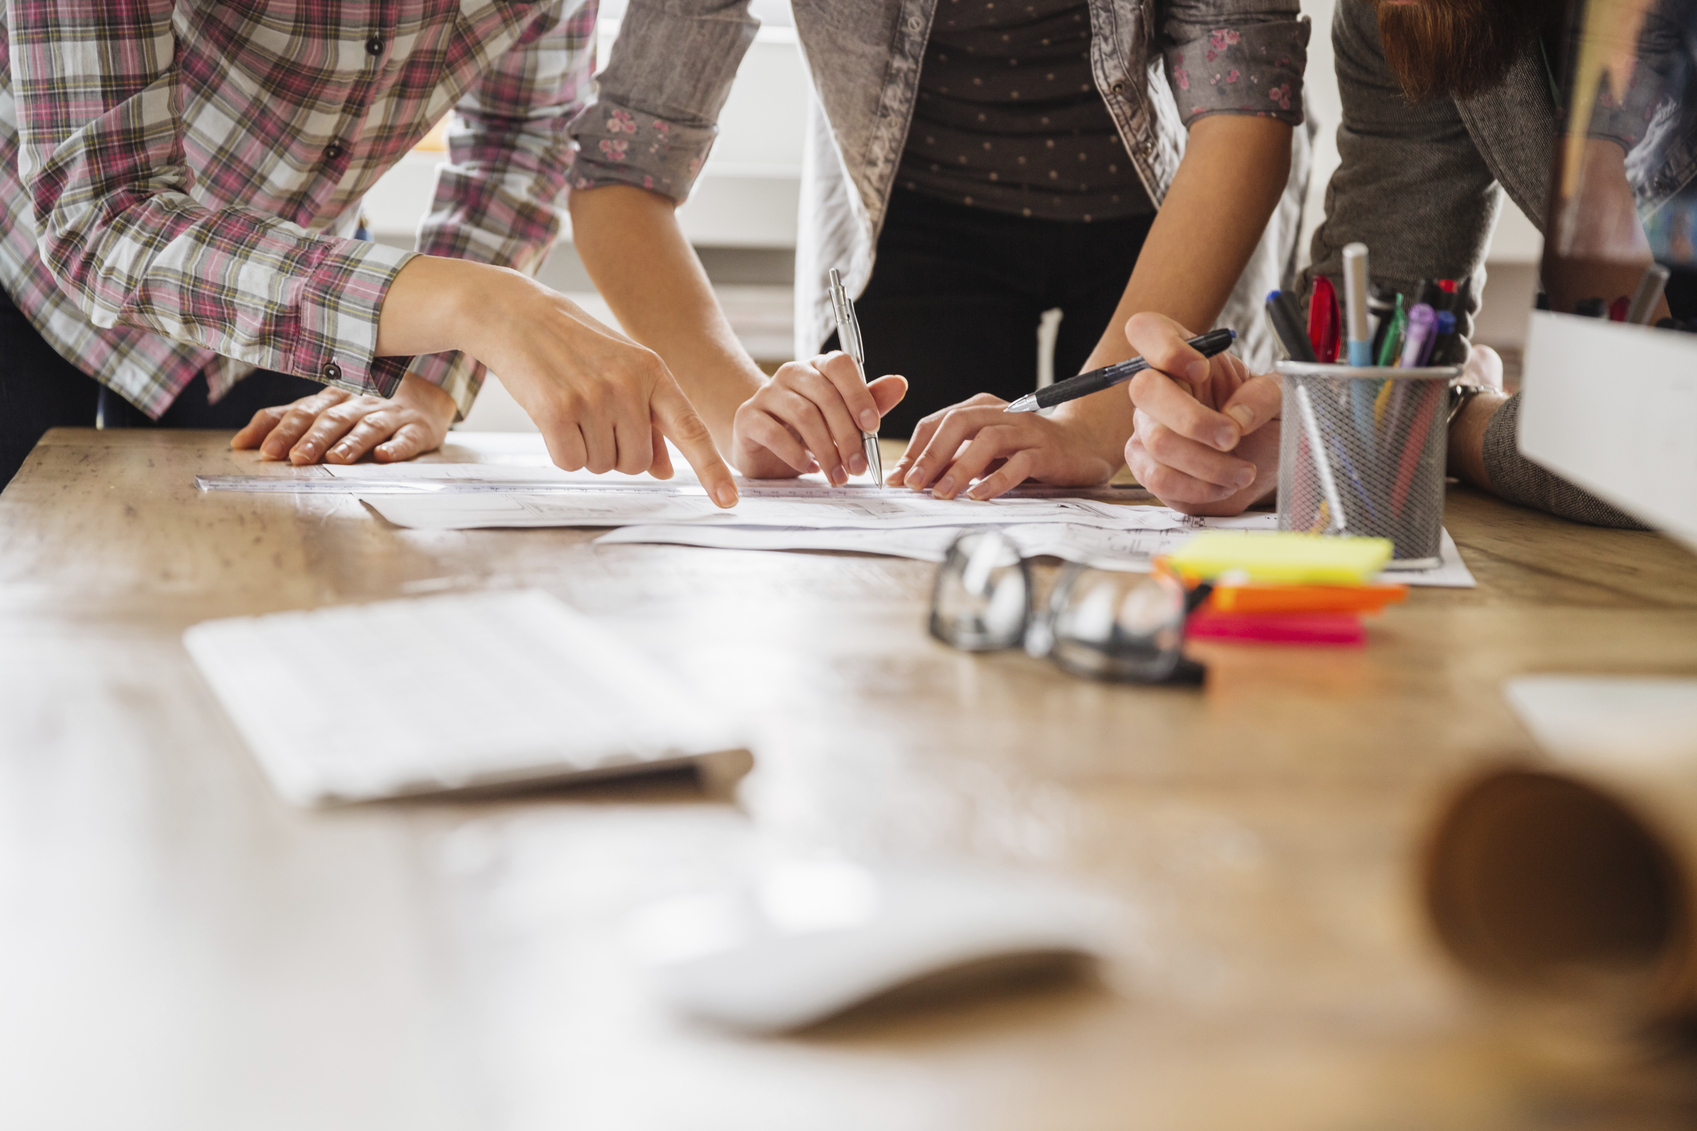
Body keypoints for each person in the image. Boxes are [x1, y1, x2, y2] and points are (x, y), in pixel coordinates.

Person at [0, 0, 738, 507]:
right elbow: (101, 209)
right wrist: (466, 303)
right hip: (26, 258)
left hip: (294, 302)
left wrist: (427, 378)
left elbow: (521, 131)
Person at [564, 0, 1313, 498]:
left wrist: (1090, 428)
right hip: (912, 222)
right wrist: (742, 418)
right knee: (908, 525)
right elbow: (620, 173)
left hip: (1175, 217)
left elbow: (1244, 106)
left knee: (1170, 504)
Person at [1096, 0, 1696, 528]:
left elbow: (1655, 451)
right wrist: (1301, 435)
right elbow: (1373, 346)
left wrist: (1444, 418)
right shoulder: (1401, 16)